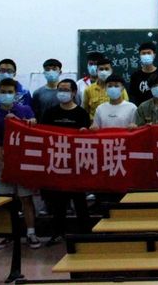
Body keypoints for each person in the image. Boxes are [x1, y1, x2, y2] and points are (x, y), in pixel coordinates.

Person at [0, 78, 40, 249]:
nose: (6, 95)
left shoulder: (25, 110)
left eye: (10, 92)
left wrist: (30, 122)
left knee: (26, 199)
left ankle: (31, 233)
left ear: (16, 94)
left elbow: (36, 131)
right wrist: (4, 168)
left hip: (24, 165)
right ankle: (4, 234)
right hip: (4, 166)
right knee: (4, 202)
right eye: (3, 92)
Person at [41, 79, 91, 246]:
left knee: (80, 201)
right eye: (60, 89)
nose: (62, 93)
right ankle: (58, 233)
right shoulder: (50, 113)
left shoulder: (81, 113)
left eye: (66, 89)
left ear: (74, 92)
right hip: (57, 163)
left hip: (77, 163)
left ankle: (85, 233)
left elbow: (88, 138)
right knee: (58, 202)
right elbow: (43, 134)